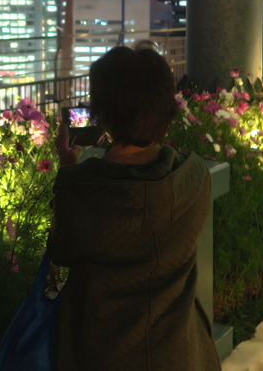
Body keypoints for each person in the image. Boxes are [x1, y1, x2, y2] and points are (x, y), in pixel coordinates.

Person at [47, 44, 220, 370]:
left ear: (102, 113)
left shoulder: (80, 187)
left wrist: (66, 170)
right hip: (180, 350)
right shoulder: (195, 176)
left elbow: (62, 253)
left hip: (102, 351)